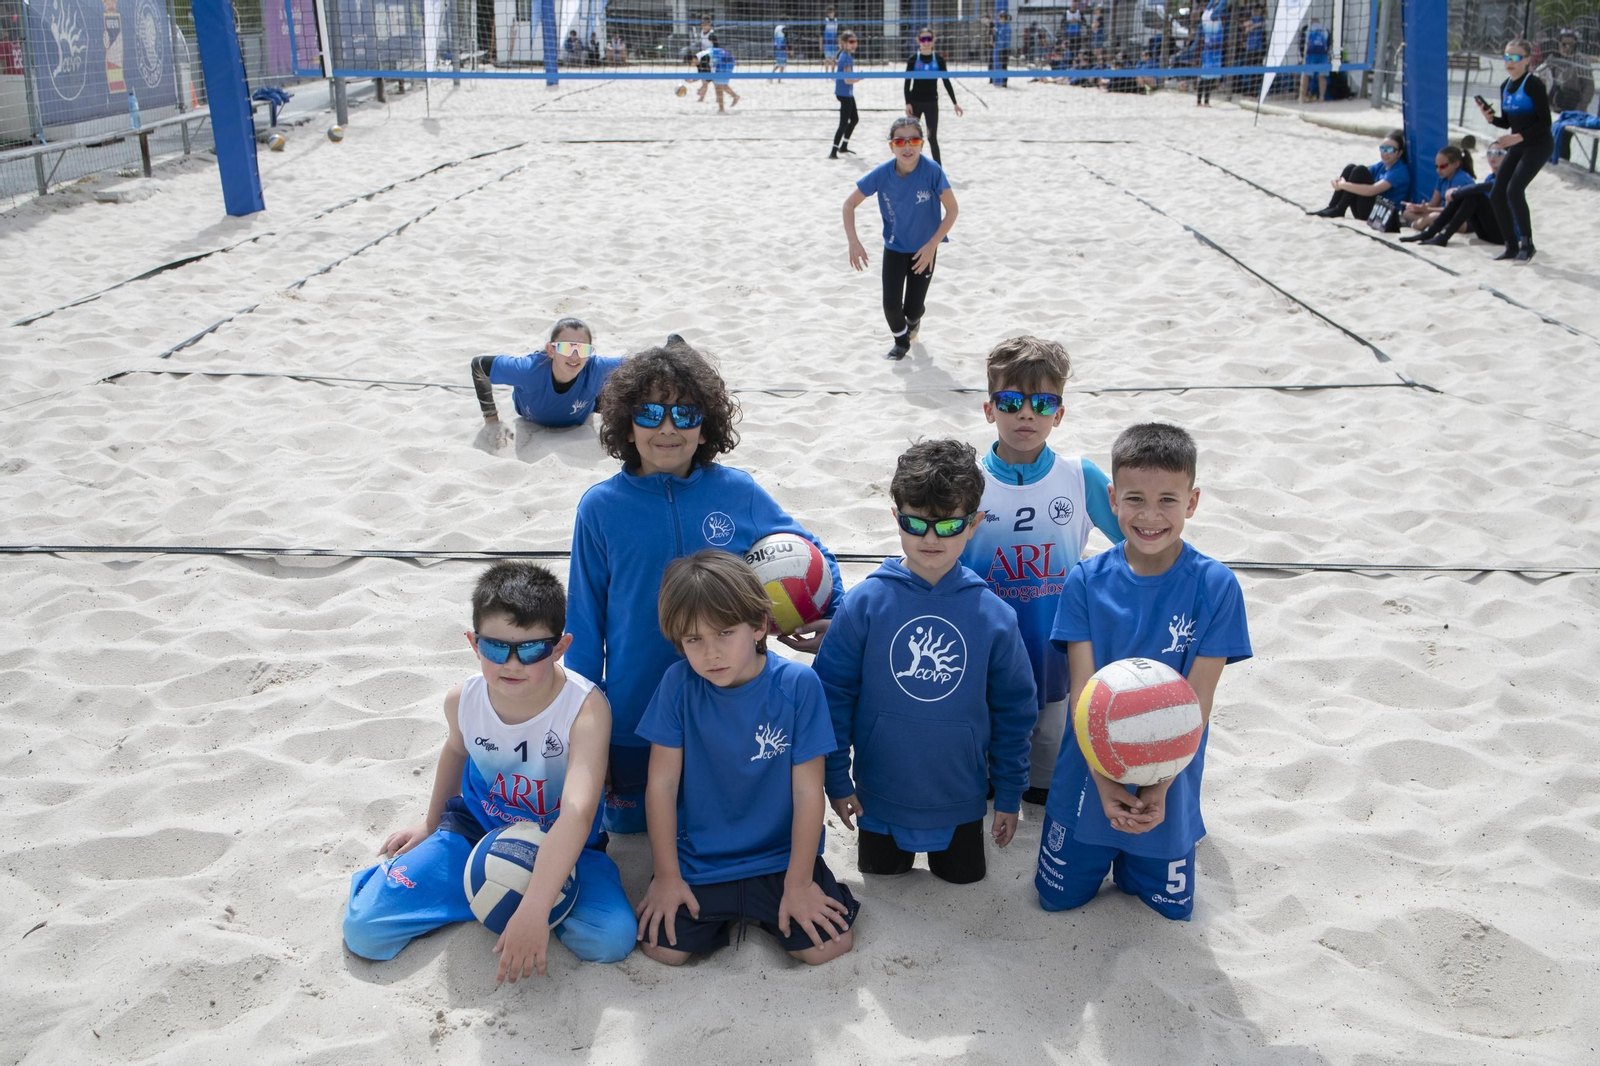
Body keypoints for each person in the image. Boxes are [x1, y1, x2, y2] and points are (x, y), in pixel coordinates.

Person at [566, 341, 843, 836]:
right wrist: (587, 734)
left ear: (706, 424)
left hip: (731, 712)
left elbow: (807, 549)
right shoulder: (601, 508)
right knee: (635, 833)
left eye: (685, 412)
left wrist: (834, 612)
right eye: (650, 412)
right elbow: (584, 631)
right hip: (635, 715)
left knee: (723, 825)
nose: (668, 427)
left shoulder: (737, 491)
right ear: (626, 424)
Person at [341, 563, 636, 974]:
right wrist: (430, 825)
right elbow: (454, 751)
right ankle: (473, 892)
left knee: (611, 939)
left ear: (560, 646)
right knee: (365, 931)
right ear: (474, 643)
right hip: (475, 832)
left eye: (531, 649)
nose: (512, 664)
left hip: (564, 847)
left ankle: (510, 905)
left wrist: (533, 910)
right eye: (496, 648)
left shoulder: (584, 709)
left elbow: (578, 812)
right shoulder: (463, 699)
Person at [1035, 423, 1251, 921]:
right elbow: (1082, 698)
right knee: (1056, 900)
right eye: (1135, 499)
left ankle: (1174, 829)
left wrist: (1158, 787)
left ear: (1192, 501)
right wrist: (1107, 784)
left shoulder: (1216, 586)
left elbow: (1198, 703)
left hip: (1169, 778)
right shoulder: (1086, 582)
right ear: (1112, 498)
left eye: (1168, 501)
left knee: (1168, 910)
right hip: (1089, 776)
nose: (1150, 516)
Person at [815, 439, 1036, 886]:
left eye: (948, 524)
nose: (931, 537)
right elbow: (832, 696)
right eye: (916, 523)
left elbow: (1015, 711)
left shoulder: (994, 616)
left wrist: (1010, 794)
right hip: (877, 800)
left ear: (973, 524)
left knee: (963, 883)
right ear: (897, 517)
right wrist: (836, 780)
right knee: (885, 881)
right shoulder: (865, 603)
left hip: (962, 801)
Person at [634, 552, 858, 965]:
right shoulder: (678, 685)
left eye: (724, 633)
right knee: (664, 950)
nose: (710, 653)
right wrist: (667, 877)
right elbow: (661, 786)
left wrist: (800, 882)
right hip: (702, 857)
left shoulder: (797, 685)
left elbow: (810, 792)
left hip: (779, 855)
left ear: (758, 625)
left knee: (828, 947)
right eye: (693, 640)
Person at [959, 337, 1124, 805]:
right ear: (990, 409)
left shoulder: (1079, 477)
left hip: (1055, 658)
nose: (1026, 414)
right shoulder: (968, 480)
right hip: (982, 658)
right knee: (985, 786)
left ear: (1060, 412)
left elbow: (1137, 544)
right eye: (1011, 401)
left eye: (1042, 402)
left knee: (1043, 789)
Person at [843, 116, 961, 361]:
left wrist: (932, 245)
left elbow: (952, 210)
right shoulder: (881, 174)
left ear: (922, 144)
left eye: (914, 140)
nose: (907, 146)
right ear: (891, 146)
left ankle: (915, 319)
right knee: (890, 306)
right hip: (895, 247)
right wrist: (854, 241)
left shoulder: (932, 171)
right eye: (900, 141)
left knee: (913, 308)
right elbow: (849, 204)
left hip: (924, 249)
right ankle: (901, 342)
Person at [469, 318, 624, 448]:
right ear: (551, 350)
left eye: (583, 349)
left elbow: (643, 363)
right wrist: (491, 419)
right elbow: (479, 365)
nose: (575, 357)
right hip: (534, 409)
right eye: (566, 348)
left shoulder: (596, 368)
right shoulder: (527, 371)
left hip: (586, 407)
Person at [1478, 41, 1552, 264]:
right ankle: (1510, 246)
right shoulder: (1505, 86)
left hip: (1538, 145)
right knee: (1497, 192)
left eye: (1516, 58)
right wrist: (1491, 118)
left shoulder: (1533, 85)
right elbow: (1508, 122)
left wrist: (1517, 137)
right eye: (1507, 57)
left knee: (1514, 190)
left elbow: (1545, 123)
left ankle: (1527, 244)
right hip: (1519, 144)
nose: (1510, 62)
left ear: (1528, 60)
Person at [1401, 145, 1508, 247]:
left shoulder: (1508, 178)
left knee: (1471, 196)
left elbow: (1476, 191)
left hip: (1505, 236)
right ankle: (1432, 233)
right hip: (1484, 232)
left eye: (1498, 153)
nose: (1493, 156)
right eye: (1490, 153)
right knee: (1409, 212)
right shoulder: (1490, 177)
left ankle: (1439, 234)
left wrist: (1456, 192)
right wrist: (1422, 208)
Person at [1307, 128, 1410, 221]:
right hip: (1368, 209)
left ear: (1399, 153)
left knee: (1359, 170)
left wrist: (1343, 185)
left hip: (1384, 215)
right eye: (1383, 149)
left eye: (1390, 150)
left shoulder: (1399, 171)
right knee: (1351, 167)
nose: (1385, 153)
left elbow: (1372, 190)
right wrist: (1337, 180)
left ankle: (1339, 209)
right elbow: (1356, 175)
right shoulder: (1382, 165)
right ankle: (1332, 206)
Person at [904, 26, 963, 166]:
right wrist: (907, 103)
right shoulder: (913, 60)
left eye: (928, 39)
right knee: (912, 137)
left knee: (932, 137)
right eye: (923, 39)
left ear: (933, 40)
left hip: (931, 102)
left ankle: (938, 170)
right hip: (915, 102)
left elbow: (946, 81)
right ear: (918, 41)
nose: (926, 42)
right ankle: (909, 166)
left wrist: (955, 103)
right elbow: (907, 83)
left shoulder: (939, 60)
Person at [1399, 141, 1476, 232]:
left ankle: (1419, 225)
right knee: (1408, 213)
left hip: (1464, 220)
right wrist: (1418, 207)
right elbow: (1433, 203)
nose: (1438, 170)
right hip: (1444, 214)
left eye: (1443, 166)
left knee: (1433, 216)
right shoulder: (1442, 178)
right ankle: (1424, 224)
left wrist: (1428, 209)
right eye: (1436, 166)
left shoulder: (1461, 180)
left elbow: (1453, 210)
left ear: (1456, 164)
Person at [1541, 29, 1594, 114]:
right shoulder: (1552, 59)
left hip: (1573, 107)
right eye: (1564, 44)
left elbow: (1589, 87)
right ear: (1558, 43)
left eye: (1571, 44)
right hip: (1553, 107)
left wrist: (1580, 108)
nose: (1567, 47)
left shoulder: (1581, 61)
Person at [829, 31, 861, 159]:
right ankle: (833, 151)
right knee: (843, 123)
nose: (854, 44)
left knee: (854, 119)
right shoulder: (845, 57)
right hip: (844, 93)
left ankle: (843, 146)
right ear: (843, 43)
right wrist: (859, 78)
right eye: (851, 42)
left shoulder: (846, 55)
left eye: (855, 42)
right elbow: (847, 80)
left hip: (846, 92)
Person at [1196, 0, 1225, 107]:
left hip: (1208, 50)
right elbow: (1223, 4)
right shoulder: (1213, 16)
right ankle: (1205, 101)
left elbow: (1211, 4)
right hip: (1214, 52)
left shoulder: (1205, 14)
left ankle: (1200, 101)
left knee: (1205, 77)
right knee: (1208, 78)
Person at [1300, 16, 1329, 103]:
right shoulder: (1325, 29)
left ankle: (1303, 97)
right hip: (1323, 55)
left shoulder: (1307, 29)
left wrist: (1302, 56)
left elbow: (1302, 43)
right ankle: (1322, 97)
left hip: (1310, 55)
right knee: (1322, 77)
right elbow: (1329, 43)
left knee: (1306, 76)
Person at [707, 43, 739, 112]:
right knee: (720, 85)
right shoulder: (703, 56)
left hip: (726, 61)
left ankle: (721, 108)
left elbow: (705, 79)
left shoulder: (703, 58)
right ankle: (735, 96)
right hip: (725, 60)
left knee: (718, 86)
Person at [993, 12, 1012, 87]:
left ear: (1003, 18)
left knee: (1004, 66)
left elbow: (1006, 39)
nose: (999, 19)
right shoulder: (1002, 26)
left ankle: (1005, 83)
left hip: (1005, 49)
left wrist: (998, 44)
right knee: (1002, 66)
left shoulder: (1007, 27)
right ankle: (1003, 82)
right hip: (1001, 48)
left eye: (1000, 18)